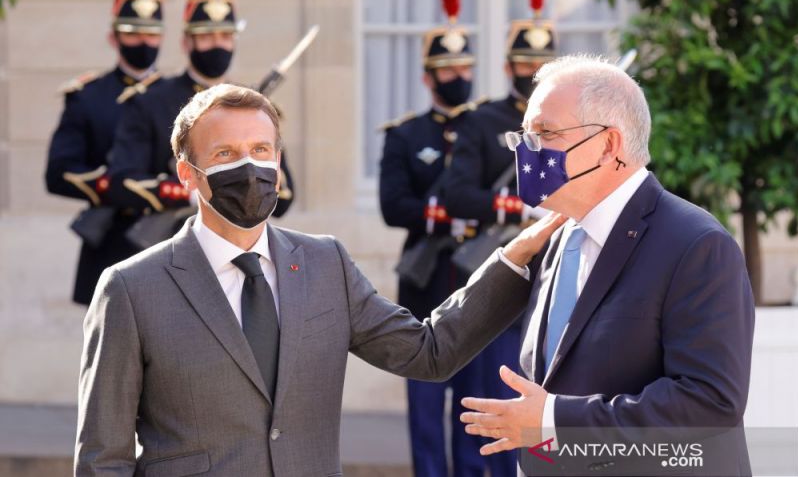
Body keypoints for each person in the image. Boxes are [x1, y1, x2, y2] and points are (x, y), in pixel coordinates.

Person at [73, 83, 566, 476]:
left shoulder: (324, 263)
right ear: (188, 173)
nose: (249, 166)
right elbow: (103, 458)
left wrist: (513, 260)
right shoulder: (131, 288)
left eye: (261, 149)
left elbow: (427, 352)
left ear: (279, 164)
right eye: (225, 154)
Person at [459, 55, 755, 476]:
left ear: (609, 146)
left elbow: (709, 403)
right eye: (523, 135)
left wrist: (556, 421)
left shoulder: (697, 244)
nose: (527, 151)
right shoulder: (558, 237)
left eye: (545, 133)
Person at [442, 0, 555, 475]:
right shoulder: (484, 121)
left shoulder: (571, 123)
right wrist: (510, 205)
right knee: (487, 403)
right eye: (525, 63)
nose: (533, 71)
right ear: (509, 65)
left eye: (542, 64)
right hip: (505, 271)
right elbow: (455, 192)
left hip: (553, 275)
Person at [106, 0, 294, 236]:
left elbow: (283, 198)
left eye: (225, 36)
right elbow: (123, 181)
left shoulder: (253, 105)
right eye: (206, 37)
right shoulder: (151, 100)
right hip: (167, 242)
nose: (217, 45)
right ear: (186, 43)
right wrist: (191, 191)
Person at [378, 0, 488, 476]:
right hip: (425, 283)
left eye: (464, 68)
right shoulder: (407, 134)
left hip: (477, 282)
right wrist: (442, 213)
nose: (457, 77)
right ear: (428, 77)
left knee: (475, 413)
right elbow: (392, 205)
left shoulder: (487, 129)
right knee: (426, 414)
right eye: (447, 70)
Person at [44, 0, 164, 306]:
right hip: (111, 238)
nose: (143, 42)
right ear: (113, 37)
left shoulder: (176, 95)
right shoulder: (88, 96)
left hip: (167, 236)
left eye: (151, 33)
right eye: (132, 32)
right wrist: (116, 188)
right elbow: (59, 172)